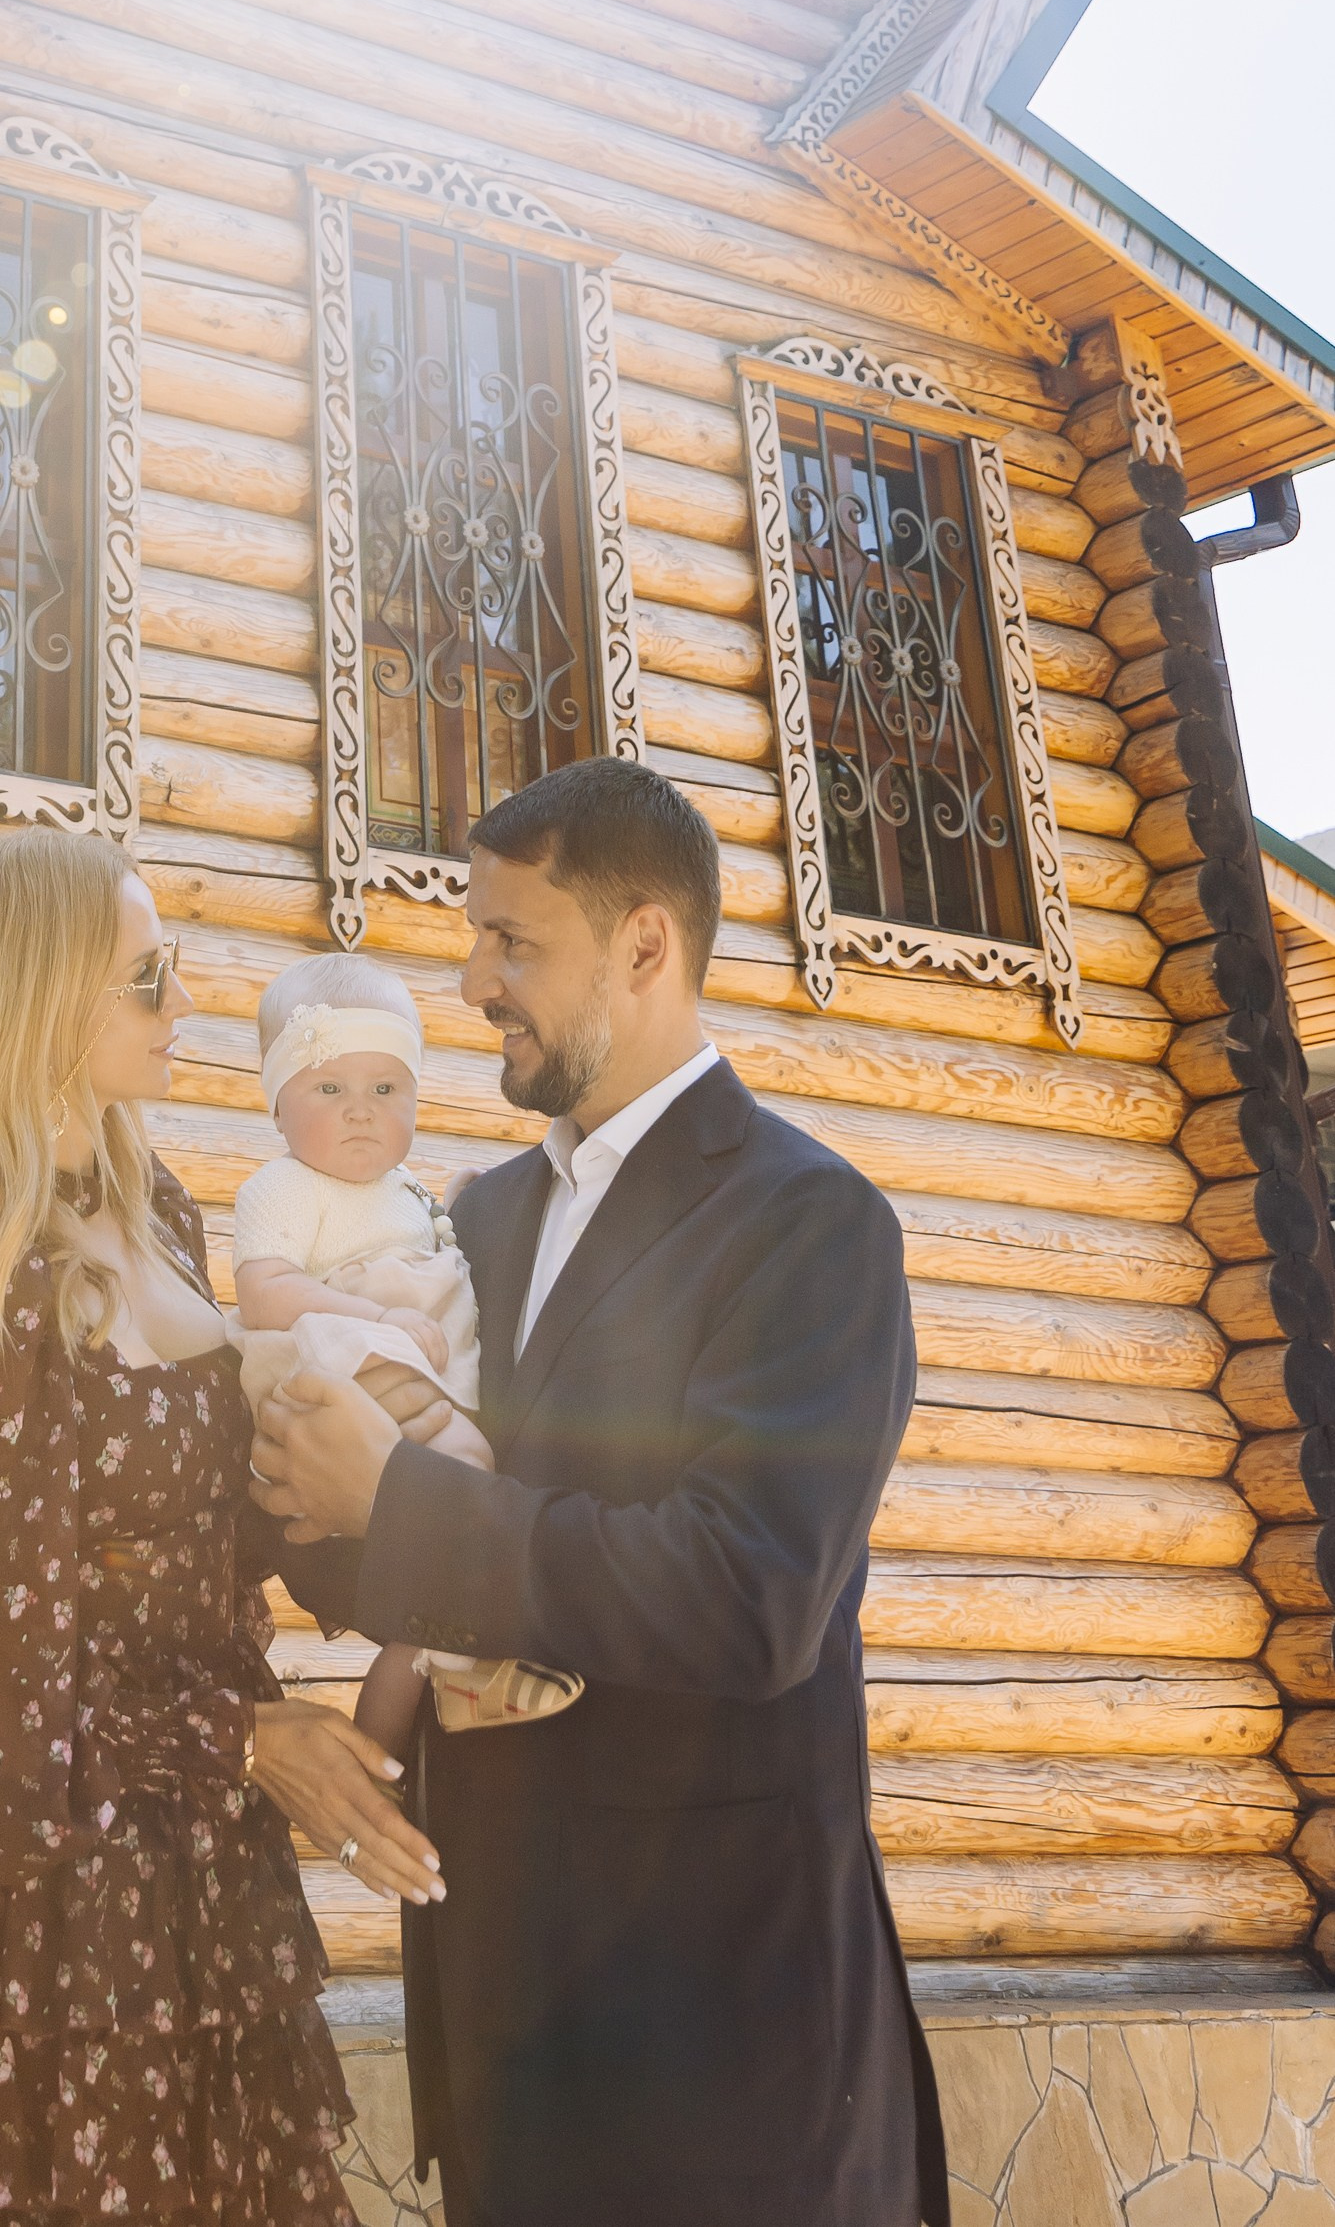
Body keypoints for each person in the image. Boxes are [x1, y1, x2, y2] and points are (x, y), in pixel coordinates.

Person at [251, 756, 947, 2227]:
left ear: (642, 943)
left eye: (511, 940)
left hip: (727, 2073)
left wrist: (393, 1506)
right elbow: (383, 1543)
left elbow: (748, 1594)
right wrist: (291, 1470)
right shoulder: (474, 1221)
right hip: (507, 2044)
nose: (467, 981)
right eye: (471, 938)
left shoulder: (809, 1223)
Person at [0, 828, 445, 2227]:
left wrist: (443, 1533)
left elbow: (219, 1523)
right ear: (36, 999)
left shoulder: (151, 1202)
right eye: (148, 978)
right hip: (40, 1936)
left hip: (201, 1894)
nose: (184, 1008)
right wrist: (233, 1736)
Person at [230, 958, 577, 1757]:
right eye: (330, 1090)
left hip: (407, 1371)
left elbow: (430, 1246)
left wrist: (454, 1209)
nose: (360, 1114)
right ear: (278, 1105)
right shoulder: (282, 1186)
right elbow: (265, 1293)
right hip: (345, 1363)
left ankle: (427, 1666)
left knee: (458, 1530)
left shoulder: (406, 1192)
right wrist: (374, 1313)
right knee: (475, 1478)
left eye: (385, 1091)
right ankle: (464, 1639)